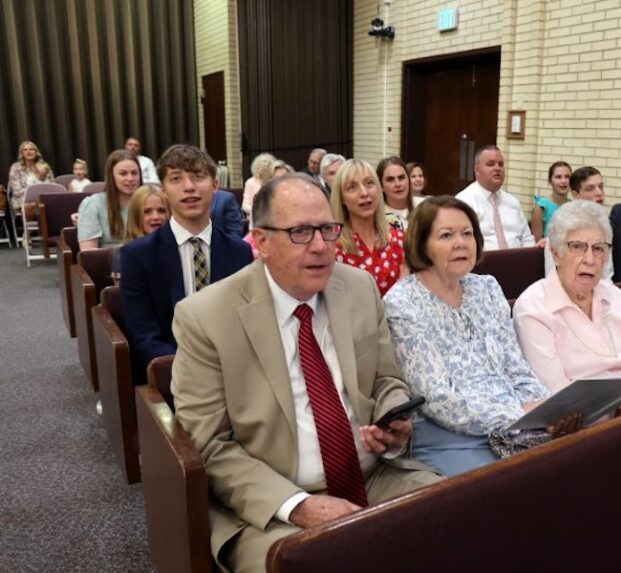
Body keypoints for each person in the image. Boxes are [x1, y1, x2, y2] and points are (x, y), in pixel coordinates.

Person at [171, 174, 441, 572]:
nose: (320, 247)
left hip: (375, 476)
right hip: (272, 505)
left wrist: (394, 419)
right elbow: (209, 446)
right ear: (261, 242)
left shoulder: (360, 288)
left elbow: (387, 381)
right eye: (300, 232)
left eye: (327, 230)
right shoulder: (206, 317)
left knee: (460, 522)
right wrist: (297, 506)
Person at [383, 196, 578, 477]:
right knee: (513, 486)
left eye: (467, 233)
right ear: (422, 244)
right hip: (449, 435)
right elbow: (436, 398)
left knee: (574, 462)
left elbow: (516, 366)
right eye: (446, 235)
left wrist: (544, 409)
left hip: (516, 419)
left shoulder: (486, 287)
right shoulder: (402, 302)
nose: (461, 243)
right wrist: (520, 416)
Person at [515, 201, 621, 403]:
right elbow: (557, 392)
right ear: (556, 254)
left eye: (598, 248)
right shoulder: (533, 308)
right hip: (588, 420)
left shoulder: (616, 297)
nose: (590, 259)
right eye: (577, 247)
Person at [120, 144, 252, 373]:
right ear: (163, 190)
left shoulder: (239, 252)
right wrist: (188, 370)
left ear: (215, 185)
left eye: (198, 177)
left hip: (232, 369)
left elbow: (247, 323)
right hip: (172, 370)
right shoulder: (137, 255)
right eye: (176, 179)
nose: (189, 187)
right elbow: (143, 334)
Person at [331, 159, 406, 296]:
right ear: (341, 198)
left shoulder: (399, 240)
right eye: (352, 187)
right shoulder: (332, 246)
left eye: (369, 183)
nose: (364, 193)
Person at [456, 145, 535, 250]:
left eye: (501, 164)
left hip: (517, 262)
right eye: (491, 164)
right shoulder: (464, 202)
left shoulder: (513, 202)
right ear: (477, 170)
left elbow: (527, 239)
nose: (497, 168)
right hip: (481, 263)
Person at [543, 166, 612, 278]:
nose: (599, 193)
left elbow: (607, 274)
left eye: (601, 186)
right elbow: (554, 276)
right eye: (590, 188)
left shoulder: (604, 224)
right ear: (575, 195)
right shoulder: (561, 226)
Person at [78, 149, 141, 250]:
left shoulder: (148, 202)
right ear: (111, 176)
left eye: (134, 173)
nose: (130, 178)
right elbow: (89, 253)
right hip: (109, 263)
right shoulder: (92, 205)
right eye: (123, 173)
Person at [7, 141, 55, 247]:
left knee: (48, 205)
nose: (29, 152)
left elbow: (52, 184)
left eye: (31, 149)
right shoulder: (16, 167)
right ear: (21, 153)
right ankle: (27, 234)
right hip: (22, 199)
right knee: (31, 206)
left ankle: (53, 237)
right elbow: (16, 190)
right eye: (25, 150)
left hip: (43, 199)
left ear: (36, 151)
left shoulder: (44, 166)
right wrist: (32, 190)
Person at [377, 156, 424, 230]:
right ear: (381, 186)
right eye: (390, 180)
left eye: (401, 178)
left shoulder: (424, 205)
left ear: (408, 180)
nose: (398, 184)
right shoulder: (378, 217)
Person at [531, 161, 571, 242]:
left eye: (567, 177)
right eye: (558, 177)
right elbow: (537, 244)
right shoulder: (540, 208)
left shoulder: (574, 207)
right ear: (550, 181)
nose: (563, 181)